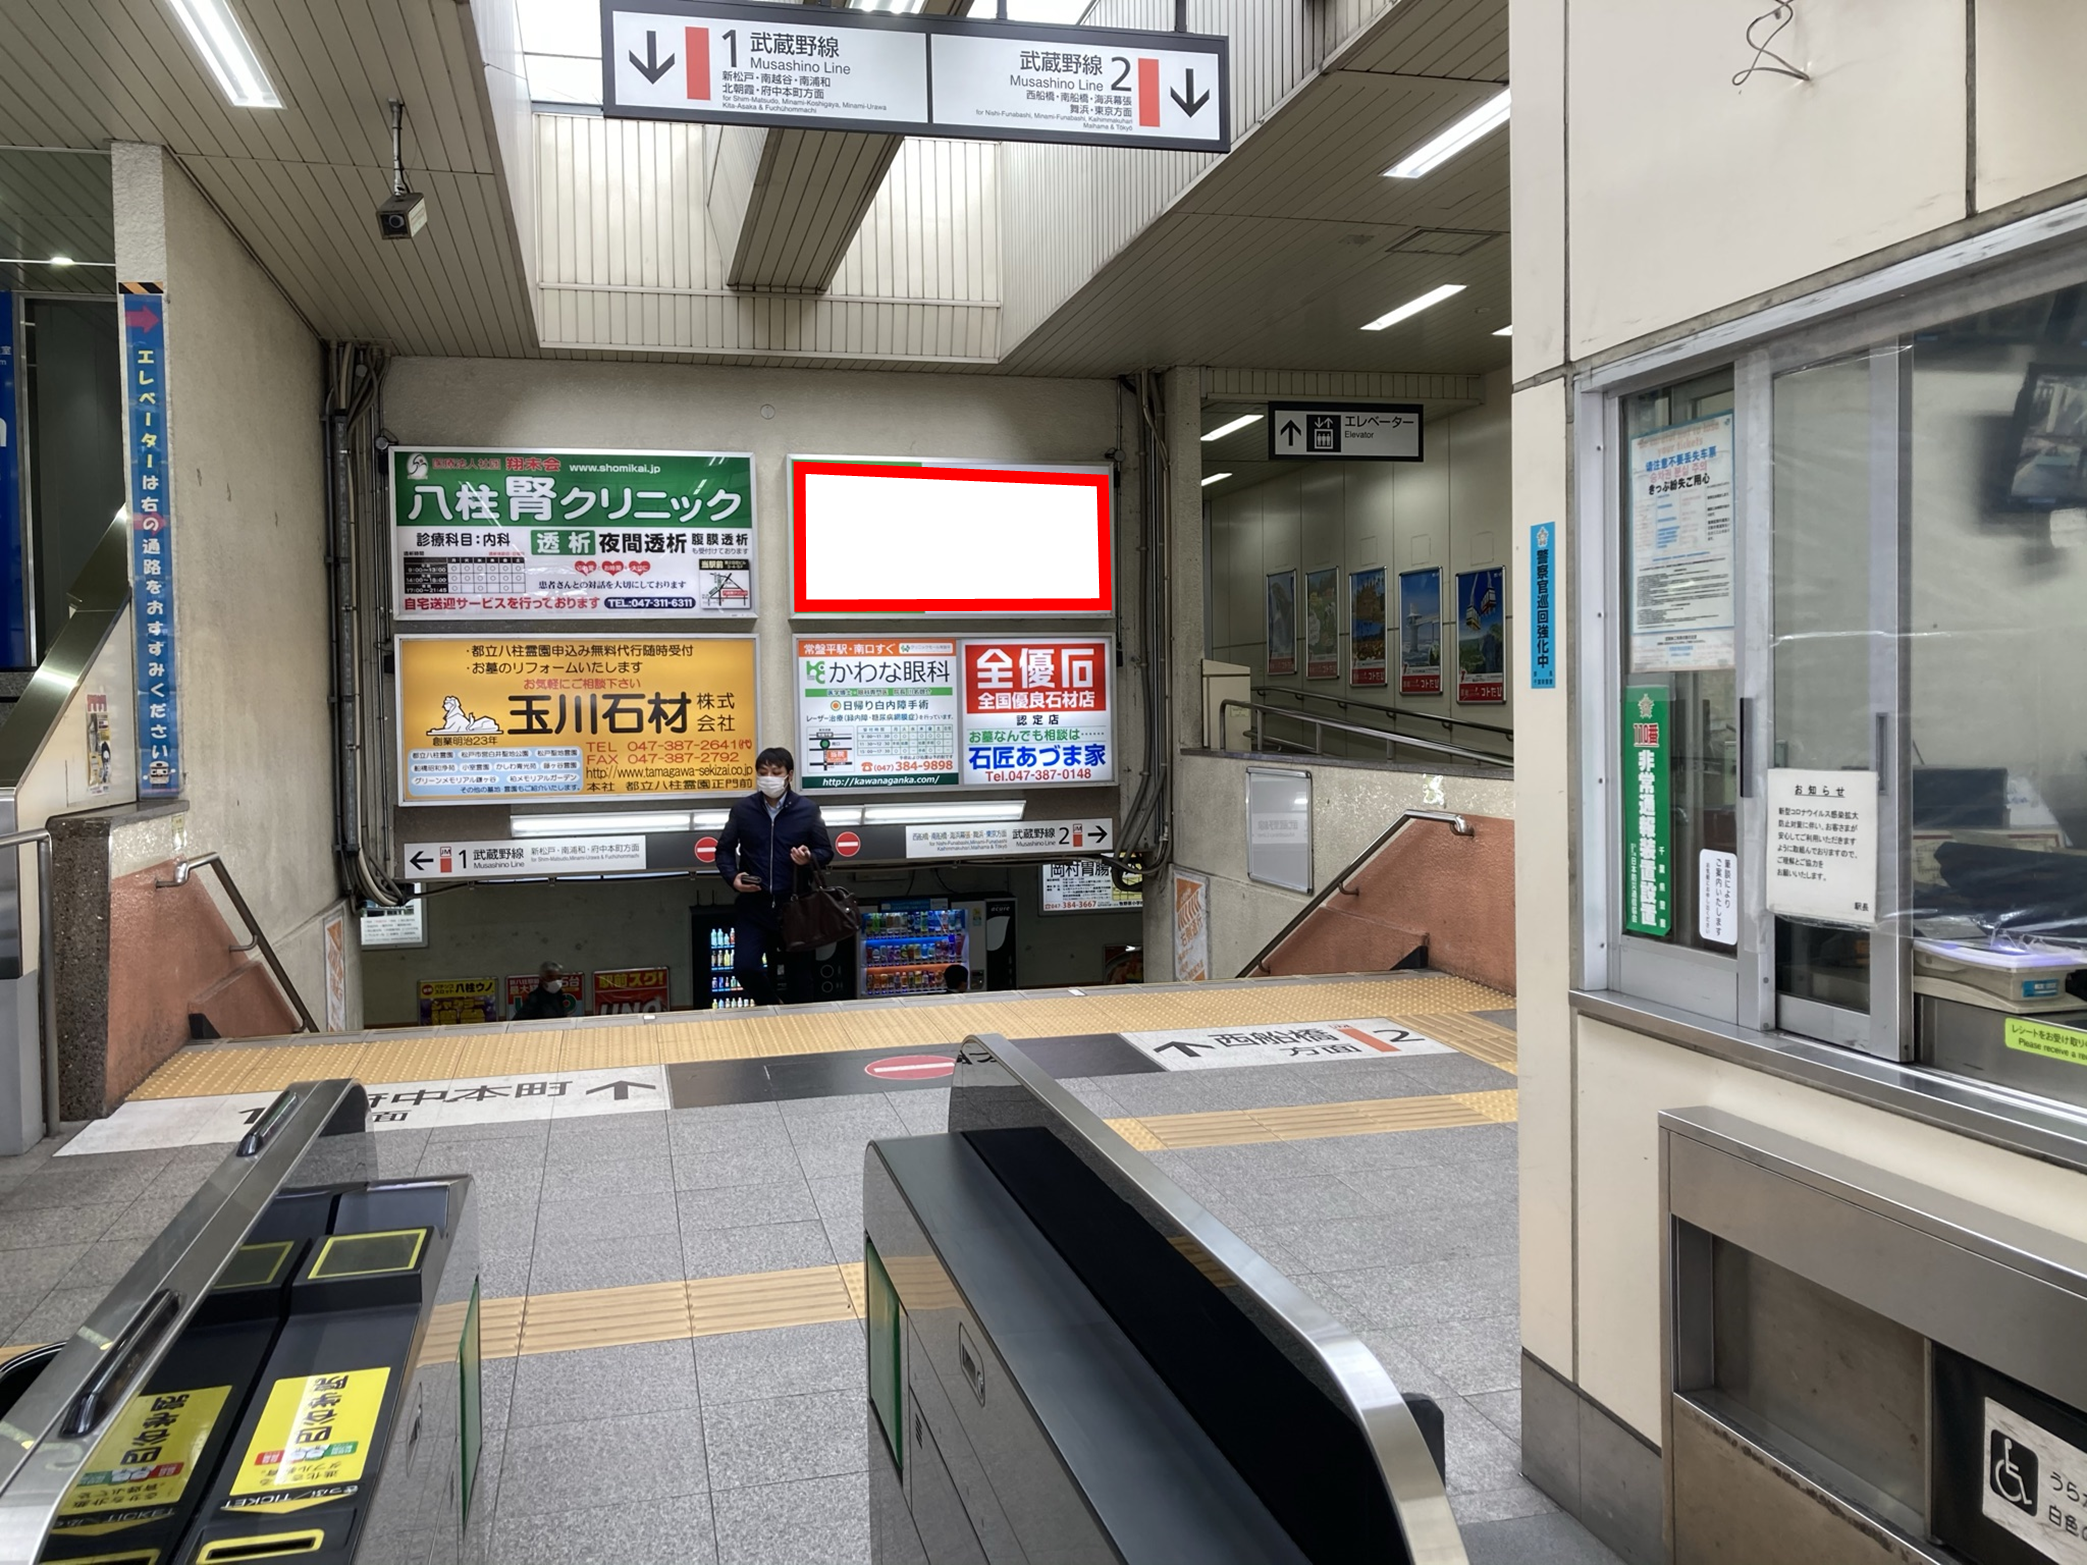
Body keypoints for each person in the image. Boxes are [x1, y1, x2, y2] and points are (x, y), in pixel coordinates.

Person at [716, 747, 833, 1006]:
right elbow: (723, 850)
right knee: (745, 967)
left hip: (795, 906)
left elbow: (825, 851)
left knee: (799, 977)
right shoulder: (743, 810)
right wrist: (733, 877)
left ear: (789, 775)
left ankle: (802, 1026)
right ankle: (772, 1006)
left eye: (776, 772)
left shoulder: (807, 810)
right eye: (763, 772)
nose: (769, 778)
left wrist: (808, 857)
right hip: (754, 905)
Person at [513, 961, 579, 1020]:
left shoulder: (559, 995)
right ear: (542, 979)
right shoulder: (534, 998)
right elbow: (518, 1021)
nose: (555, 981)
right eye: (550, 977)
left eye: (558, 978)